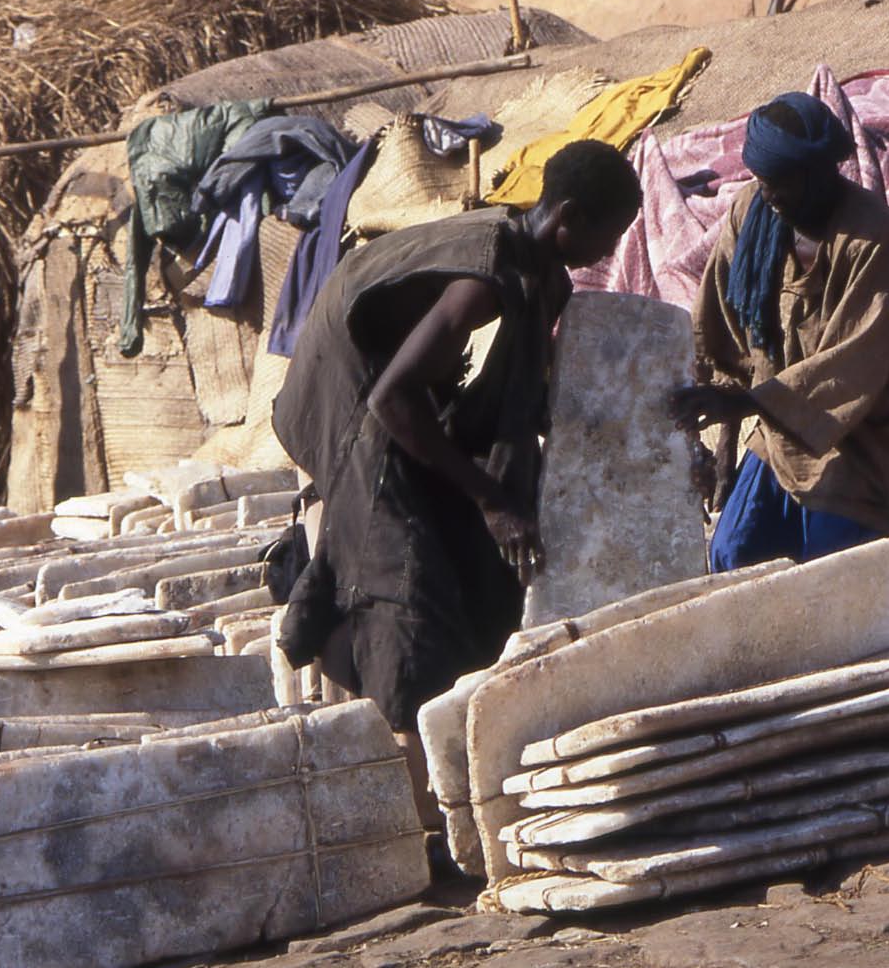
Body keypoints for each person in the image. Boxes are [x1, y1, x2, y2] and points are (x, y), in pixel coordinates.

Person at [271, 139, 642, 810]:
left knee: (471, 559)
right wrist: (489, 497)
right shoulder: (487, 275)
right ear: (568, 217)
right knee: (402, 578)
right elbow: (389, 399)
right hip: (349, 385)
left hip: (407, 383)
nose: (609, 254)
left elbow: (525, 396)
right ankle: (410, 813)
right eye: (608, 236)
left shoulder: (543, 277)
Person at [670, 91, 889, 572]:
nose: (771, 195)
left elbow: (854, 364)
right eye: (765, 181)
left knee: (829, 573)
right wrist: (725, 450)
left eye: (783, 184)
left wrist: (752, 402)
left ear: (823, 173)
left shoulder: (872, 237)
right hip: (778, 432)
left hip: (867, 443)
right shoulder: (753, 212)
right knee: (732, 556)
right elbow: (723, 330)